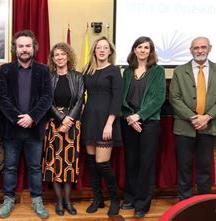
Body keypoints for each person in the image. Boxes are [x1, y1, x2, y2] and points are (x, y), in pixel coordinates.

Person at [0, 30, 52, 219]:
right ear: (15, 49)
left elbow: (46, 98)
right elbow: (2, 98)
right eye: (21, 46)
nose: (24, 49)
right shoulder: (5, 70)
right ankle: (8, 199)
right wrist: (18, 118)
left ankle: (37, 201)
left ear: (33, 48)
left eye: (28, 45)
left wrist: (32, 118)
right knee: (10, 167)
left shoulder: (44, 70)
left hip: (34, 129)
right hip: (12, 129)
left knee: (35, 167)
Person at [170, 36, 216, 201]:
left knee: (205, 167)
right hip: (184, 126)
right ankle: (185, 202)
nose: (200, 51)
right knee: (184, 166)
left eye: (203, 47)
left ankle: (204, 202)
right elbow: (174, 98)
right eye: (196, 48)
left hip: (209, 126)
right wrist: (193, 117)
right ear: (191, 50)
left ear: (209, 48)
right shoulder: (179, 71)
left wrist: (208, 117)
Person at [120, 36, 166, 218]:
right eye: (140, 47)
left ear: (151, 51)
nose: (143, 50)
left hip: (149, 123)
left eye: (147, 47)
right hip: (129, 122)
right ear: (134, 50)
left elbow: (159, 98)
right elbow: (122, 99)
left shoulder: (158, 71)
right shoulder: (127, 72)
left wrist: (140, 116)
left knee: (146, 164)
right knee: (131, 162)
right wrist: (130, 118)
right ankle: (130, 197)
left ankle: (142, 203)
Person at [81, 36, 123, 216]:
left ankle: (114, 199)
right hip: (89, 119)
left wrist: (109, 124)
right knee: (92, 163)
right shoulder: (87, 70)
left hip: (106, 121)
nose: (102, 50)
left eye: (106, 48)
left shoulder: (114, 71)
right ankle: (98, 199)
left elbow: (117, 99)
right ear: (94, 50)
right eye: (99, 47)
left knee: (102, 163)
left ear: (110, 51)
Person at [42, 42, 83, 216]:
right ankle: (58, 201)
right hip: (53, 124)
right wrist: (61, 119)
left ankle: (67, 200)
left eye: (62, 54)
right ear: (52, 58)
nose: (59, 57)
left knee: (69, 165)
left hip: (73, 126)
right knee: (54, 164)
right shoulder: (48, 77)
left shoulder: (78, 76)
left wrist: (69, 120)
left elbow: (80, 99)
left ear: (68, 56)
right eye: (56, 55)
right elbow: (47, 101)